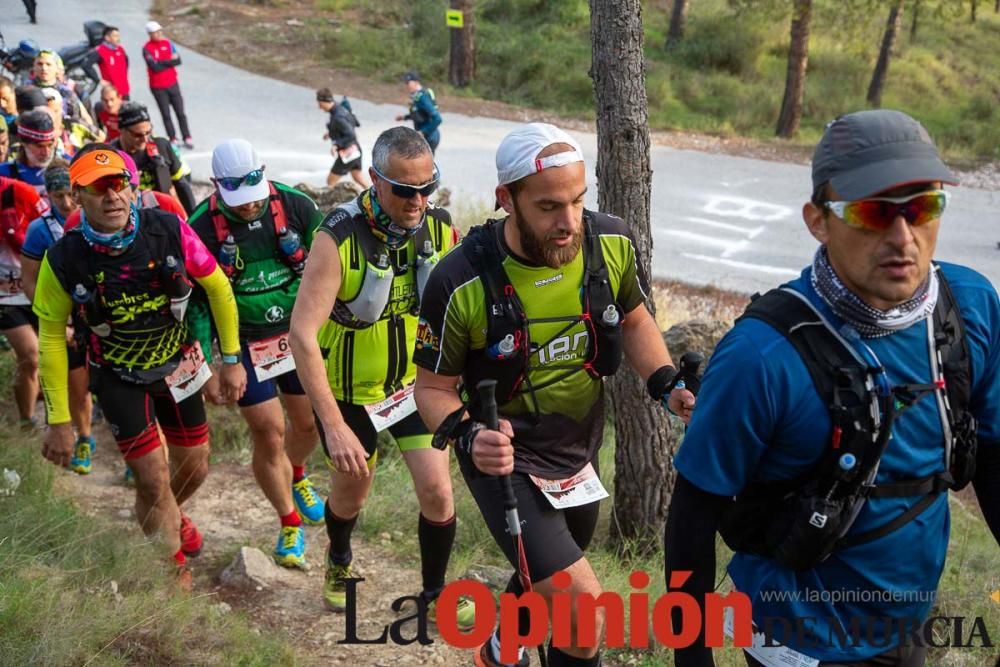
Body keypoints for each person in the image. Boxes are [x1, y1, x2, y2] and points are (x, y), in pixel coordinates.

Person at [664, 109, 1000, 667]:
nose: (902, 237)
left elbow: (991, 455)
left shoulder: (968, 309)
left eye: (923, 207)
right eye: (871, 212)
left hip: (908, 623)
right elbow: (692, 520)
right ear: (818, 220)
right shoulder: (760, 357)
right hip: (794, 638)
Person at [412, 122, 695, 667]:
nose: (568, 222)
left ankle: (500, 645)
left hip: (578, 454)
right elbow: (431, 389)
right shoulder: (460, 280)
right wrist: (470, 436)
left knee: (541, 580)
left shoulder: (609, 243)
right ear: (505, 199)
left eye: (577, 200)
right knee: (582, 612)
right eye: (547, 207)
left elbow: (634, 321)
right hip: (504, 461)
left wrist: (666, 384)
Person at [34, 148, 246, 583]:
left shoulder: (168, 230)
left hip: (178, 363)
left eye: (119, 183)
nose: (112, 195)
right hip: (118, 375)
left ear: (133, 188)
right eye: (98, 187)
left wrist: (231, 359)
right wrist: (58, 420)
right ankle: (173, 572)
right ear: (76, 196)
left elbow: (219, 288)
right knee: (151, 480)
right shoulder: (64, 259)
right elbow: (51, 336)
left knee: (196, 466)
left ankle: (170, 512)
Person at [289, 126, 473, 625]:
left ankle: (434, 592)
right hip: (349, 392)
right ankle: (339, 558)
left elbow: (459, 312)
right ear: (374, 179)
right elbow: (301, 336)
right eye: (404, 190)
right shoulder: (337, 238)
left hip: (412, 387)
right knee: (354, 488)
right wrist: (332, 424)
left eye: (427, 187)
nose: (417, 201)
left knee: (437, 493)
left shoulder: (438, 228)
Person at [186, 139, 324, 568]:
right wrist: (217, 361)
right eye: (239, 202)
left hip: (297, 334)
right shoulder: (200, 226)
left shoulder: (297, 205)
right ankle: (288, 523)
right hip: (244, 342)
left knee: (310, 423)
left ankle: (296, 473)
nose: (249, 208)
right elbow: (196, 300)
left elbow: (328, 265)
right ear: (216, 186)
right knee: (269, 431)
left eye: (255, 199)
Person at [19, 160, 94, 472]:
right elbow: (30, 281)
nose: (65, 202)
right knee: (78, 387)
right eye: (57, 195)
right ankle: (85, 440)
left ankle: (134, 455)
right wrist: (56, 320)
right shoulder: (39, 231)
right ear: (47, 195)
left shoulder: (97, 217)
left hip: (105, 314)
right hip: (66, 320)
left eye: (69, 194)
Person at [0, 173, 47, 427]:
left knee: (46, 356)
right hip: (5, 297)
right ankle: (27, 421)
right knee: (30, 355)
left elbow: (50, 231)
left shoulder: (22, 191)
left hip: (34, 285)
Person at [112, 101, 196, 214]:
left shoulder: (161, 146)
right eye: (138, 135)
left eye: (148, 132)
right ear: (122, 130)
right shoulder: (112, 155)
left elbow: (181, 185)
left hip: (162, 214)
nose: (145, 139)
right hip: (130, 217)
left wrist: (193, 219)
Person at [142, 21, 192, 149]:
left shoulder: (168, 44)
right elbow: (154, 67)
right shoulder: (147, 48)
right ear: (150, 34)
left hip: (172, 83)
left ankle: (187, 136)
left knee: (180, 112)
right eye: (156, 32)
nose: (159, 34)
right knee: (166, 114)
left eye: (160, 31)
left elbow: (178, 60)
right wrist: (169, 61)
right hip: (157, 86)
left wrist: (162, 62)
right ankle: (173, 138)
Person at [0, 109, 69, 198]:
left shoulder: (70, 166)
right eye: (39, 146)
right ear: (24, 144)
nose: (46, 152)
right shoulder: (4, 174)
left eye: (50, 145)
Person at [316, 88, 369, 189]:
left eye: (320, 104)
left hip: (348, 153)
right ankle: (376, 197)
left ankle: (332, 204)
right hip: (356, 149)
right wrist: (331, 132)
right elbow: (349, 125)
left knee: (330, 182)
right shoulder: (339, 108)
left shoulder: (338, 117)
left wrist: (336, 145)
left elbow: (351, 134)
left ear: (326, 101)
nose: (319, 107)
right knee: (358, 177)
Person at [395, 72, 441, 154]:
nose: (406, 85)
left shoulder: (422, 97)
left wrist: (423, 132)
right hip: (425, 137)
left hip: (430, 137)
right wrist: (405, 117)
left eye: (408, 82)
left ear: (416, 82)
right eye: (405, 83)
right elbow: (420, 114)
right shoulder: (417, 96)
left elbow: (438, 119)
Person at [95, 26, 130, 101]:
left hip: (124, 90)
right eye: (115, 36)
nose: (118, 38)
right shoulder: (100, 51)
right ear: (107, 38)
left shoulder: (120, 49)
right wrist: (98, 80)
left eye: (118, 36)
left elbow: (126, 61)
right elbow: (86, 65)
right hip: (111, 93)